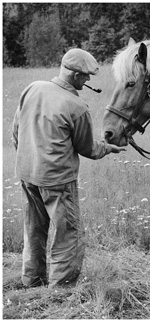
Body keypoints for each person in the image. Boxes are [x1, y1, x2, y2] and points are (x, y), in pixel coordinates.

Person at [12, 48, 125, 288]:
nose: (87, 80)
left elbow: (16, 132)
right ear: (74, 75)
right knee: (68, 234)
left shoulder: (32, 88)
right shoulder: (77, 106)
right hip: (57, 182)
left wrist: (29, 159)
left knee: (33, 229)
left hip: (27, 175)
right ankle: (61, 289)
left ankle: (31, 279)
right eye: (85, 76)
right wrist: (108, 148)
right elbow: (87, 148)